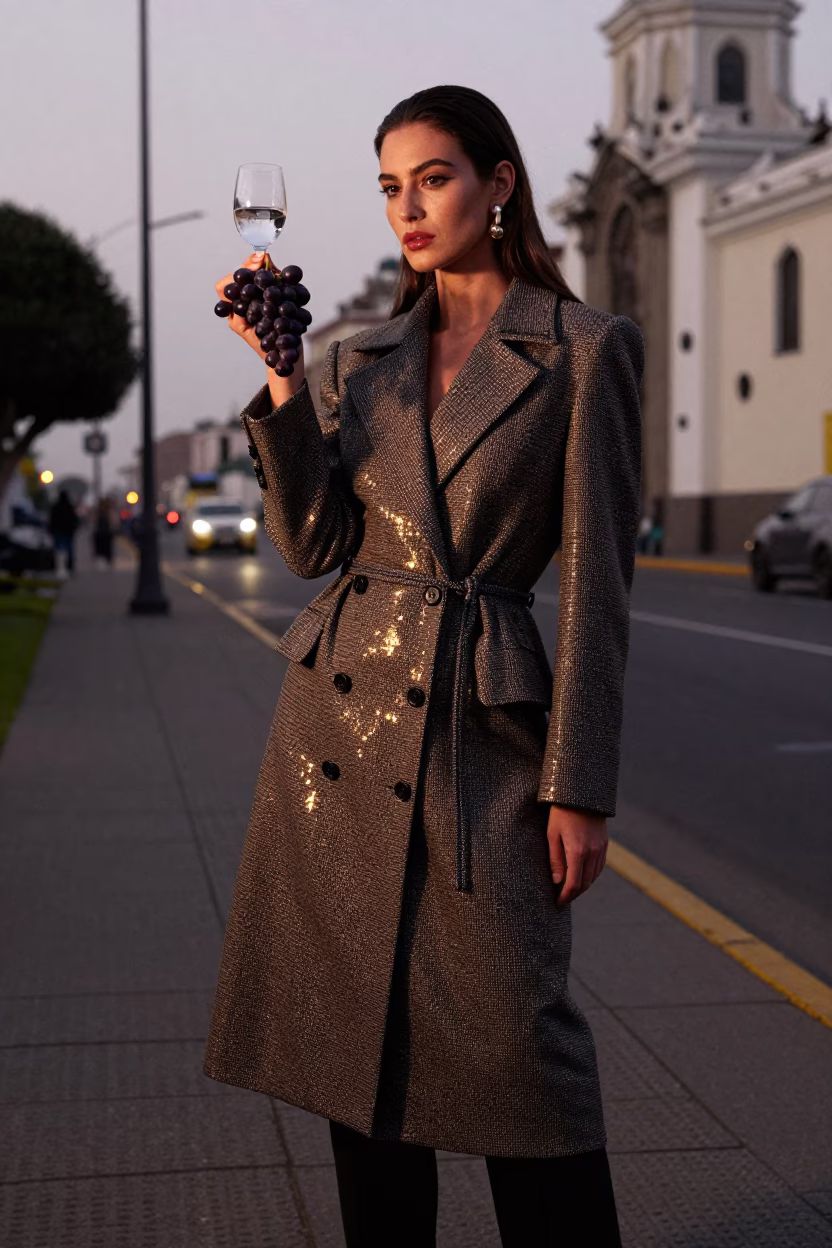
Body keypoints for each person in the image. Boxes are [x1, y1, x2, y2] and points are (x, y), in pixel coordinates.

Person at [204, 85, 643, 1247]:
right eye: (389, 187)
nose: (408, 206)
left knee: (520, 1063)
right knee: (362, 1062)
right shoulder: (363, 356)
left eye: (433, 177)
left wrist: (580, 784)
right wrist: (285, 377)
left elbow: (598, 586)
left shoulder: (585, 350)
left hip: (481, 735)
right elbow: (313, 549)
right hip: (335, 738)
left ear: (499, 184)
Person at [48, 489, 79, 575]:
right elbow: (74, 519)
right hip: (68, 532)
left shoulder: (55, 507)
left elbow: (51, 520)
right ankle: (69, 566)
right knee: (69, 549)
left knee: (59, 549)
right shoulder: (70, 507)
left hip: (58, 531)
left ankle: (60, 566)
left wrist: (51, 530)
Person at [92, 497, 115, 566]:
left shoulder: (100, 512)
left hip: (102, 532)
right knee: (106, 547)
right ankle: (106, 559)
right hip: (105, 532)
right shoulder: (106, 512)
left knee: (103, 546)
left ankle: (103, 558)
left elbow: (94, 522)